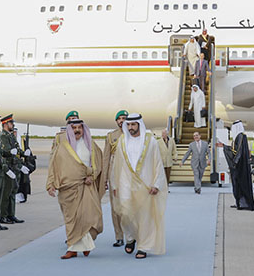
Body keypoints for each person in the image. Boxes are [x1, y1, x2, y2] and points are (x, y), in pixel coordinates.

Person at [110, 114, 167, 259]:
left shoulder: (151, 142)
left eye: (133, 125)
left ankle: (143, 246)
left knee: (144, 216)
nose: (130, 128)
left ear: (139, 125)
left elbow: (157, 163)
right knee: (126, 214)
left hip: (145, 185)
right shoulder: (122, 141)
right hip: (125, 185)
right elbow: (117, 165)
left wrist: (156, 184)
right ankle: (130, 238)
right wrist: (115, 184)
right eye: (128, 125)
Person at [46, 117, 104, 259]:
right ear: (69, 130)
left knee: (89, 217)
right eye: (74, 128)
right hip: (67, 189)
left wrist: (92, 176)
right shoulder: (62, 147)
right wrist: (51, 184)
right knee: (72, 219)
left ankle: (86, 245)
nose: (77, 130)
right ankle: (72, 248)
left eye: (79, 127)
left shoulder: (91, 145)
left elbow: (98, 164)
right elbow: (54, 166)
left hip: (86, 187)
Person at [101, 110, 128, 246]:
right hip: (114, 174)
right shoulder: (111, 136)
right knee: (115, 207)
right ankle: (119, 236)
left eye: (124, 118)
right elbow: (106, 158)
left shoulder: (135, 134)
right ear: (116, 121)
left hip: (129, 175)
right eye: (119, 118)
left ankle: (131, 234)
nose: (122, 120)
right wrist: (104, 179)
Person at [0, 113, 30, 225]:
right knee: (6, 193)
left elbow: (16, 149)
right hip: (9, 167)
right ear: (5, 124)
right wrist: (10, 152)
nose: (13, 125)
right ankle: (3, 216)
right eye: (11, 123)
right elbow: (6, 151)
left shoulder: (11, 136)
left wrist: (23, 153)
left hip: (15, 167)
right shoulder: (3, 136)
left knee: (13, 192)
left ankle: (11, 215)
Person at [222, 120, 254, 210]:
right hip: (240, 165)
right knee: (237, 185)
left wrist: (234, 163)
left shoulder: (240, 136)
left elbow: (238, 152)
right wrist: (224, 146)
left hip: (240, 166)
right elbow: (235, 150)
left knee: (240, 184)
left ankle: (243, 204)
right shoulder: (239, 137)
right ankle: (239, 203)